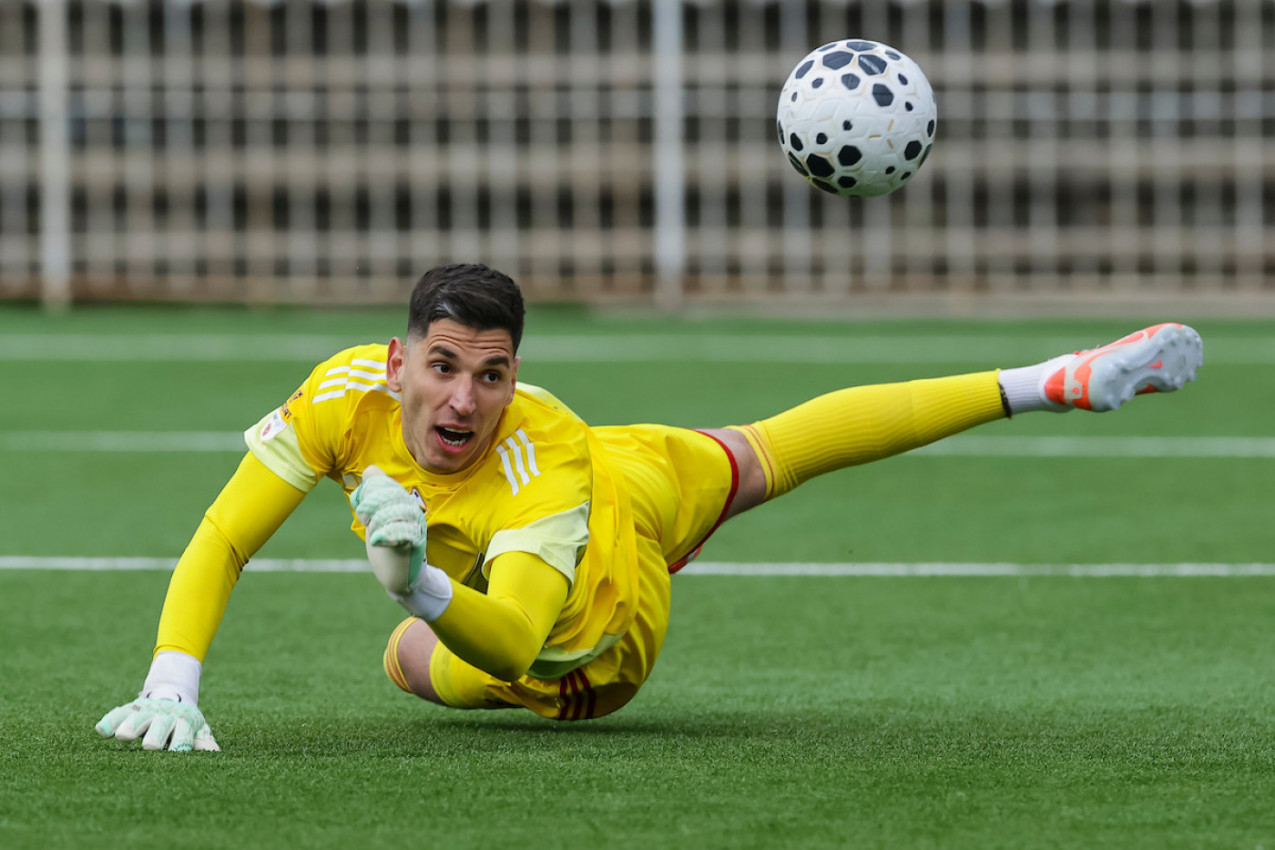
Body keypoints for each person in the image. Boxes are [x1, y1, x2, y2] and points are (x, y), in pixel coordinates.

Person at [95, 263, 1204, 752]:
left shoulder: (538, 460)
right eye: (443, 367)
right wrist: (171, 679)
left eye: (492, 376)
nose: (465, 399)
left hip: (595, 628)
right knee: (767, 448)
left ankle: (1047, 379)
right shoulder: (342, 395)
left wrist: (416, 585)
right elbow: (225, 534)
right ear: (395, 363)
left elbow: (516, 636)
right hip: (630, 464)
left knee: (406, 663)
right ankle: (1049, 380)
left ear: (516, 376)